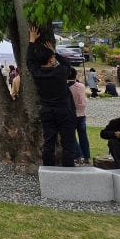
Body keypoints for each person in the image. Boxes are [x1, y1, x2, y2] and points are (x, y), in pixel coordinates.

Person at [26, 27, 76, 167]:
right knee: (68, 143)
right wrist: (55, 51)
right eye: (53, 58)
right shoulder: (60, 72)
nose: (55, 59)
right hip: (64, 111)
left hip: (47, 110)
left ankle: (48, 169)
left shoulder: (37, 73)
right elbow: (67, 63)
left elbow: (30, 61)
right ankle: (68, 169)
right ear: (50, 60)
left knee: (49, 142)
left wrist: (32, 40)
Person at [67, 67, 90, 165]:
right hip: (82, 114)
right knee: (83, 136)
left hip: (71, 115)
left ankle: (78, 155)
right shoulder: (81, 86)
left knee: (71, 136)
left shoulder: (66, 87)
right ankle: (86, 156)